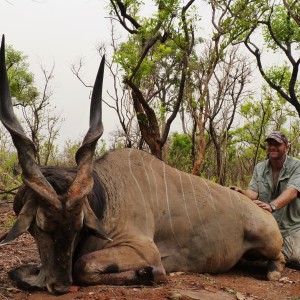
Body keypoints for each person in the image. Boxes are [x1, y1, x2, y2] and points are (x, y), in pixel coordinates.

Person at [231, 131, 300, 268]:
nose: (272, 147)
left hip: (290, 228)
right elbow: (254, 193)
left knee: (296, 257)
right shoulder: (260, 168)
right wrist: (241, 192)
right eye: (270, 144)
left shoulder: (297, 166)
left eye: (277, 144)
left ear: (287, 147)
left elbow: (292, 191)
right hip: (266, 227)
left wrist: (272, 206)